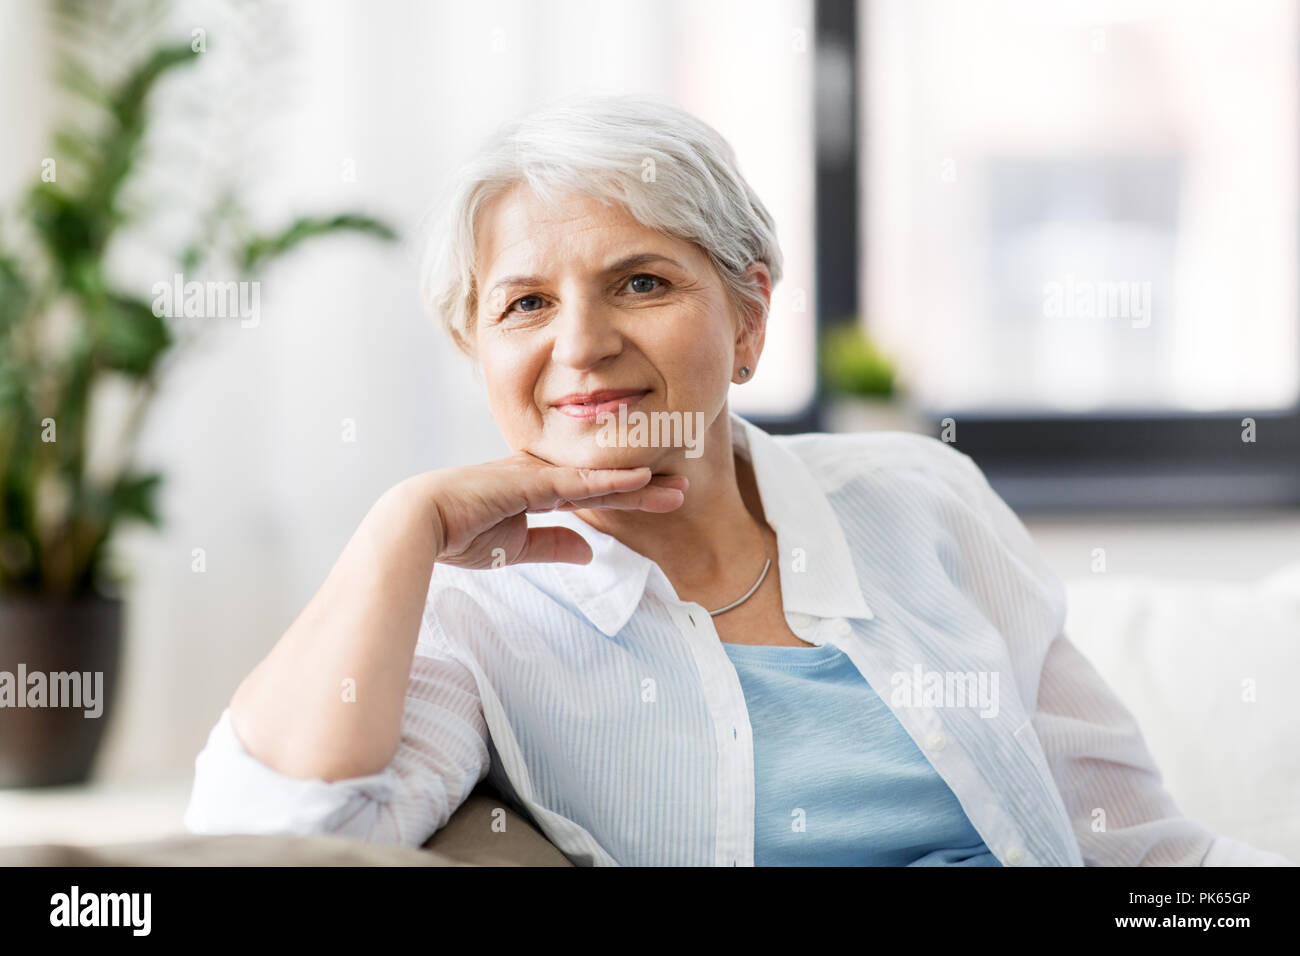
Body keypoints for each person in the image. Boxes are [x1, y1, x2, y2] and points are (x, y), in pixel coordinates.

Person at [184, 93, 1293, 867]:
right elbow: (278, 840)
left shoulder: (921, 499)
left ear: (748, 318)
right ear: (477, 349)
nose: (582, 342)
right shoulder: (476, 614)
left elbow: (1144, 850)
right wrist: (403, 522)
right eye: (524, 303)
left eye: (640, 280)